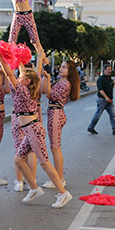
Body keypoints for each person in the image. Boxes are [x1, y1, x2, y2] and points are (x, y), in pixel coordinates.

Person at [0, 47, 73, 208]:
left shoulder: (22, 90)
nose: (18, 77)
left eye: (21, 77)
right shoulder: (27, 88)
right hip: (30, 129)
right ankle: (34, 188)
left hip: (33, 130)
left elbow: (9, 74)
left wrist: (0, 58)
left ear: (27, 81)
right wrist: (20, 59)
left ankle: (63, 193)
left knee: (44, 162)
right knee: (18, 160)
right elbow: (26, 72)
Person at [41, 59, 80, 189]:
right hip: (54, 113)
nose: (61, 69)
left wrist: (47, 78)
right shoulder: (60, 82)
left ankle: (59, 179)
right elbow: (45, 91)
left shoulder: (65, 84)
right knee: (55, 147)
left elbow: (49, 95)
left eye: (64, 67)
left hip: (56, 113)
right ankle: (58, 178)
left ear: (70, 71)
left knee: (55, 147)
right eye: (61, 67)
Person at [87, 65, 115, 135]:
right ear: (104, 70)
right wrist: (106, 97)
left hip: (109, 100)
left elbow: (110, 87)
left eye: (110, 69)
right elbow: (100, 90)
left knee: (113, 115)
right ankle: (90, 127)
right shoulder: (101, 79)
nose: (110, 71)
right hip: (102, 100)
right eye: (108, 69)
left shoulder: (109, 78)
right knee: (98, 115)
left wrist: (113, 83)